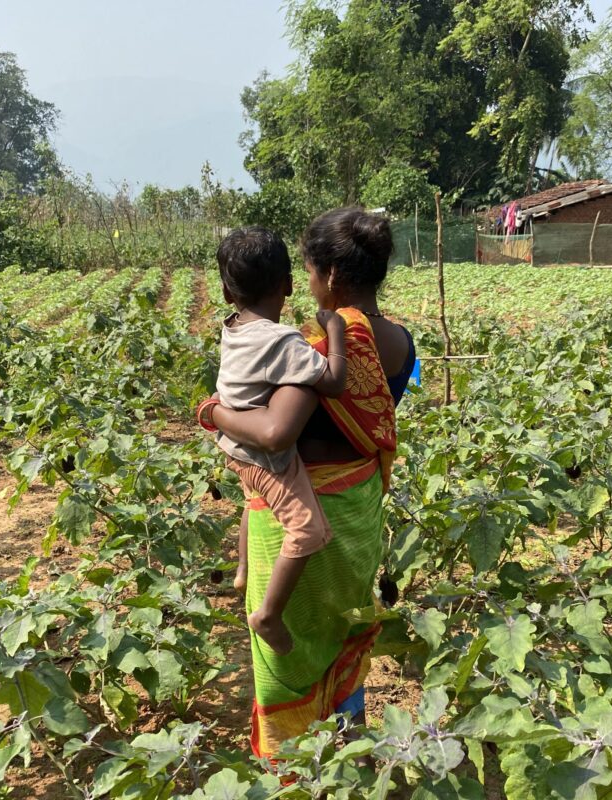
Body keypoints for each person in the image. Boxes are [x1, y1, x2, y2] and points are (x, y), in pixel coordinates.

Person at [210, 207, 416, 759]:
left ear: (327, 275)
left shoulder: (317, 347)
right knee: (342, 635)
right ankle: (348, 754)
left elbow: (276, 432)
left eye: (308, 271)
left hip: (301, 518)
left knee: (288, 657)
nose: (303, 283)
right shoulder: (401, 341)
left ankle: (295, 772)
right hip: (359, 510)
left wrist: (215, 415)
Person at [197, 226, 349, 656]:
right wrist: (333, 329)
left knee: (251, 499)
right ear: (287, 284)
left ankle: (243, 569)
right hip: (263, 455)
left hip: (235, 449)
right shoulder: (282, 341)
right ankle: (268, 614)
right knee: (308, 529)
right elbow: (334, 382)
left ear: (228, 295)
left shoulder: (232, 327)